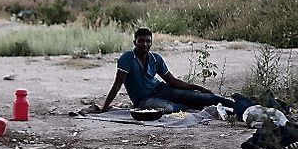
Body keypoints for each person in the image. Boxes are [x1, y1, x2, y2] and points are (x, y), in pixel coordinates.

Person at [96, 27, 234, 113]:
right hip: (143, 100)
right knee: (167, 109)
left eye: (148, 41)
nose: (144, 44)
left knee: (202, 96)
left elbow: (172, 81)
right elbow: (117, 85)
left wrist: (199, 88)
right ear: (134, 42)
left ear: (151, 42)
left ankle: (237, 106)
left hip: (161, 90)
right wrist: (104, 108)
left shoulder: (155, 58)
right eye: (141, 41)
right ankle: (187, 106)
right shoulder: (127, 58)